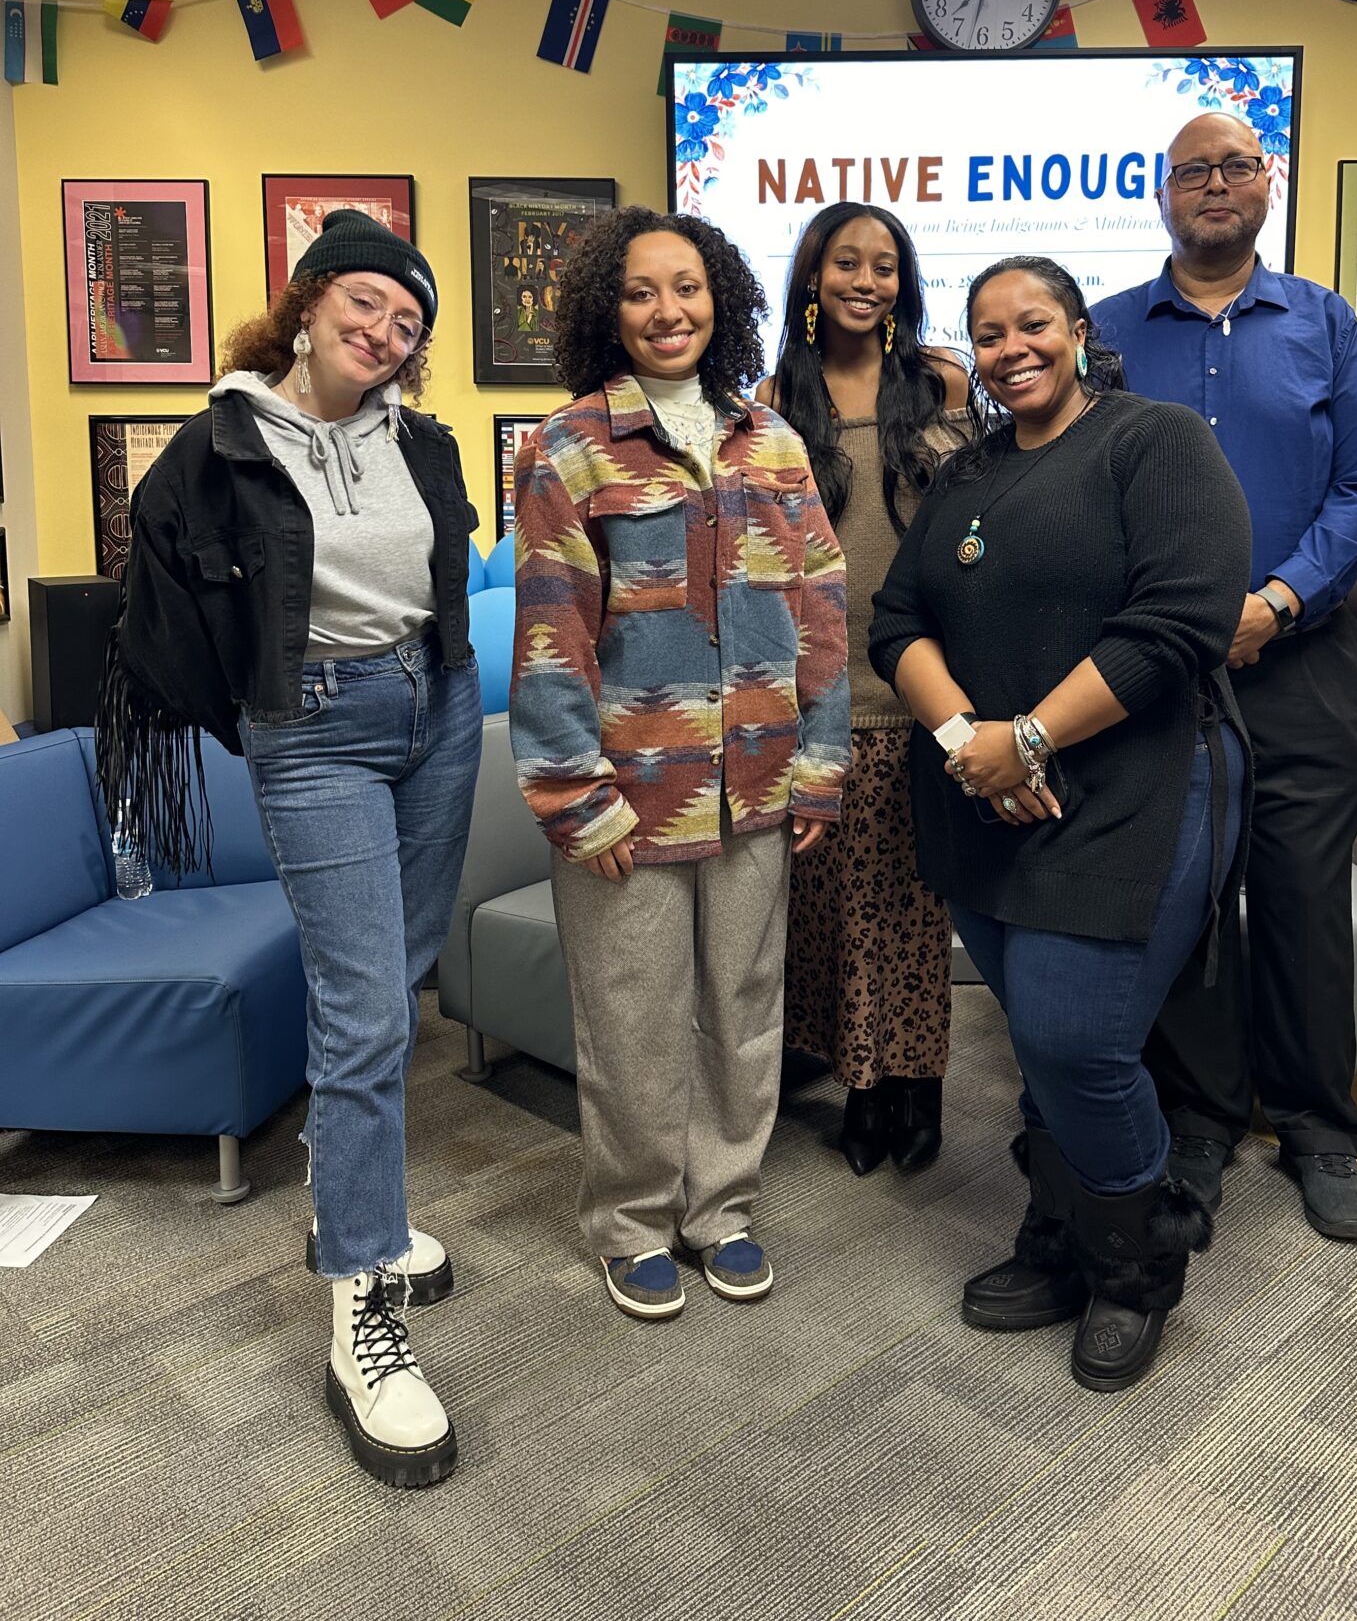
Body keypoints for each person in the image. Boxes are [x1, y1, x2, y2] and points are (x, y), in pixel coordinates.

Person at [96, 210, 481, 1489]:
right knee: (367, 1014)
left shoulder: (419, 440)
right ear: (310, 302)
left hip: (437, 710)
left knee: (393, 983)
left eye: (408, 323)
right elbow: (164, 615)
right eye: (365, 305)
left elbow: (444, 574)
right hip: (311, 730)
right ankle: (359, 1295)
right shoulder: (215, 443)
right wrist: (267, 722)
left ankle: (347, 1197)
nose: (382, 333)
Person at [869, 256, 1250, 1392]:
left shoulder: (1158, 440)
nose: (1009, 347)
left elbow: (1181, 620)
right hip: (984, 795)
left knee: (1077, 1035)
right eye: (987, 334)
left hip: (1137, 785)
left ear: (1080, 331)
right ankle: (1065, 1233)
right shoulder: (967, 469)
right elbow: (900, 620)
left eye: (1033, 323)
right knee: (1041, 1041)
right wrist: (970, 747)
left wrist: (1028, 736)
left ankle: (1138, 1265)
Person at [510, 205, 850, 1322]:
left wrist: (820, 760)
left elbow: (823, 614)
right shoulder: (568, 447)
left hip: (757, 782)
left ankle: (723, 1207)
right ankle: (633, 1218)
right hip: (626, 793)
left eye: (689, 288)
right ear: (610, 310)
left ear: (724, 301)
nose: (669, 311)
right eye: (644, 291)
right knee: (631, 1015)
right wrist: (571, 793)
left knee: (743, 1007)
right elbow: (551, 628)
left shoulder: (776, 442)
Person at [1093, 114, 1357, 1243]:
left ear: (1266, 184)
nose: (1214, 185)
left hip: (1305, 660)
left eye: (1235, 166)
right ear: (1161, 193)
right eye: (1192, 171)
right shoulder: (1107, 332)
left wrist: (1277, 602)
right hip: (1160, 675)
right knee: (1177, 895)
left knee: (1299, 893)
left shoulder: (1324, 321)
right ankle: (1201, 1116)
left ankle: (1320, 1126)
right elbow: (1074, 481)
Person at [756, 203, 968, 1175]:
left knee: (914, 907)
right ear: (811, 275)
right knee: (835, 914)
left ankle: (915, 1091)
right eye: (847, 261)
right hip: (820, 695)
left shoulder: (941, 383)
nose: (866, 280)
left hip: (925, 685)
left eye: (886, 265)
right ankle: (861, 1086)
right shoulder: (771, 400)